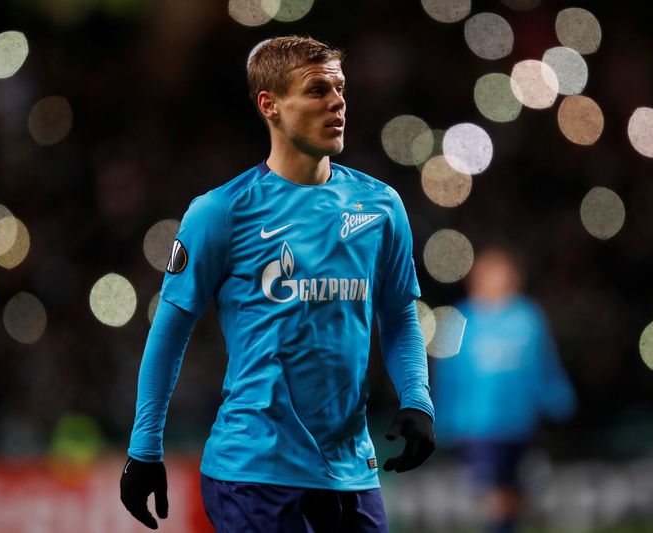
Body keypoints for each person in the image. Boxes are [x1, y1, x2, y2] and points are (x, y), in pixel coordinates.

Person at [119, 35, 435, 532]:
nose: (337, 102)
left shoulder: (380, 207)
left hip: (352, 472)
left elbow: (398, 315)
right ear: (270, 105)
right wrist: (144, 448)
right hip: (255, 472)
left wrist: (417, 400)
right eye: (316, 90)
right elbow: (170, 331)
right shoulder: (221, 212)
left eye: (340, 88)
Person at [431, 246, 576, 533]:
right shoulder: (459, 320)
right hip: (477, 426)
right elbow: (447, 375)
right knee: (492, 496)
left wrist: (558, 398)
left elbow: (544, 365)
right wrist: (439, 415)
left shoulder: (528, 318)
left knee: (513, 494)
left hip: (519, 423)